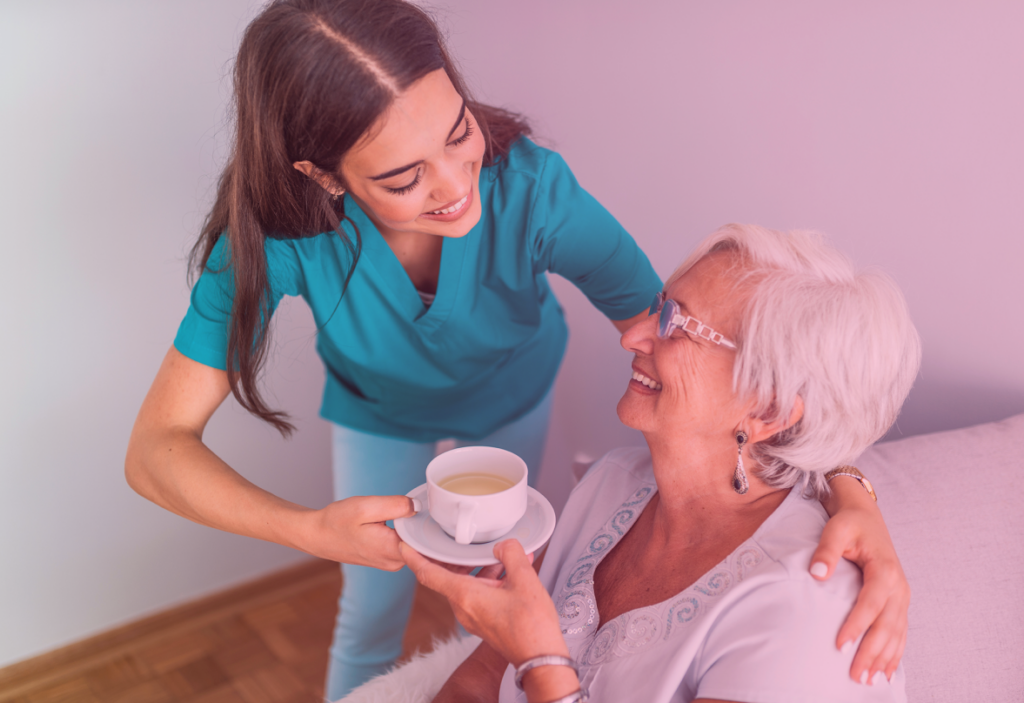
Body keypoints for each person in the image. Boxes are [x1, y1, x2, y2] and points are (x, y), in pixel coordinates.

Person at [123, 1, 908, 698]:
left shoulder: (533, 189)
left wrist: (847, 484)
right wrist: (308, 529)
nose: (457, 183)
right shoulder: (275, 239)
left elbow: (724, 363)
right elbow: (155, 450)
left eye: (458, 129)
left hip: (513, 399)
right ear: (322, 174)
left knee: (517, 573)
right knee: (368, 605)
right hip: (377, 413)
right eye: (404, 176)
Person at [403, 224, 920, 703]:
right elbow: (474, 684)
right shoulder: (610, 483)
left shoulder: (801, 609)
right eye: (659, 306)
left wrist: (539, 661)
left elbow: (520, 662)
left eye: (677, 324)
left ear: (768, 409)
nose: (633, 336)